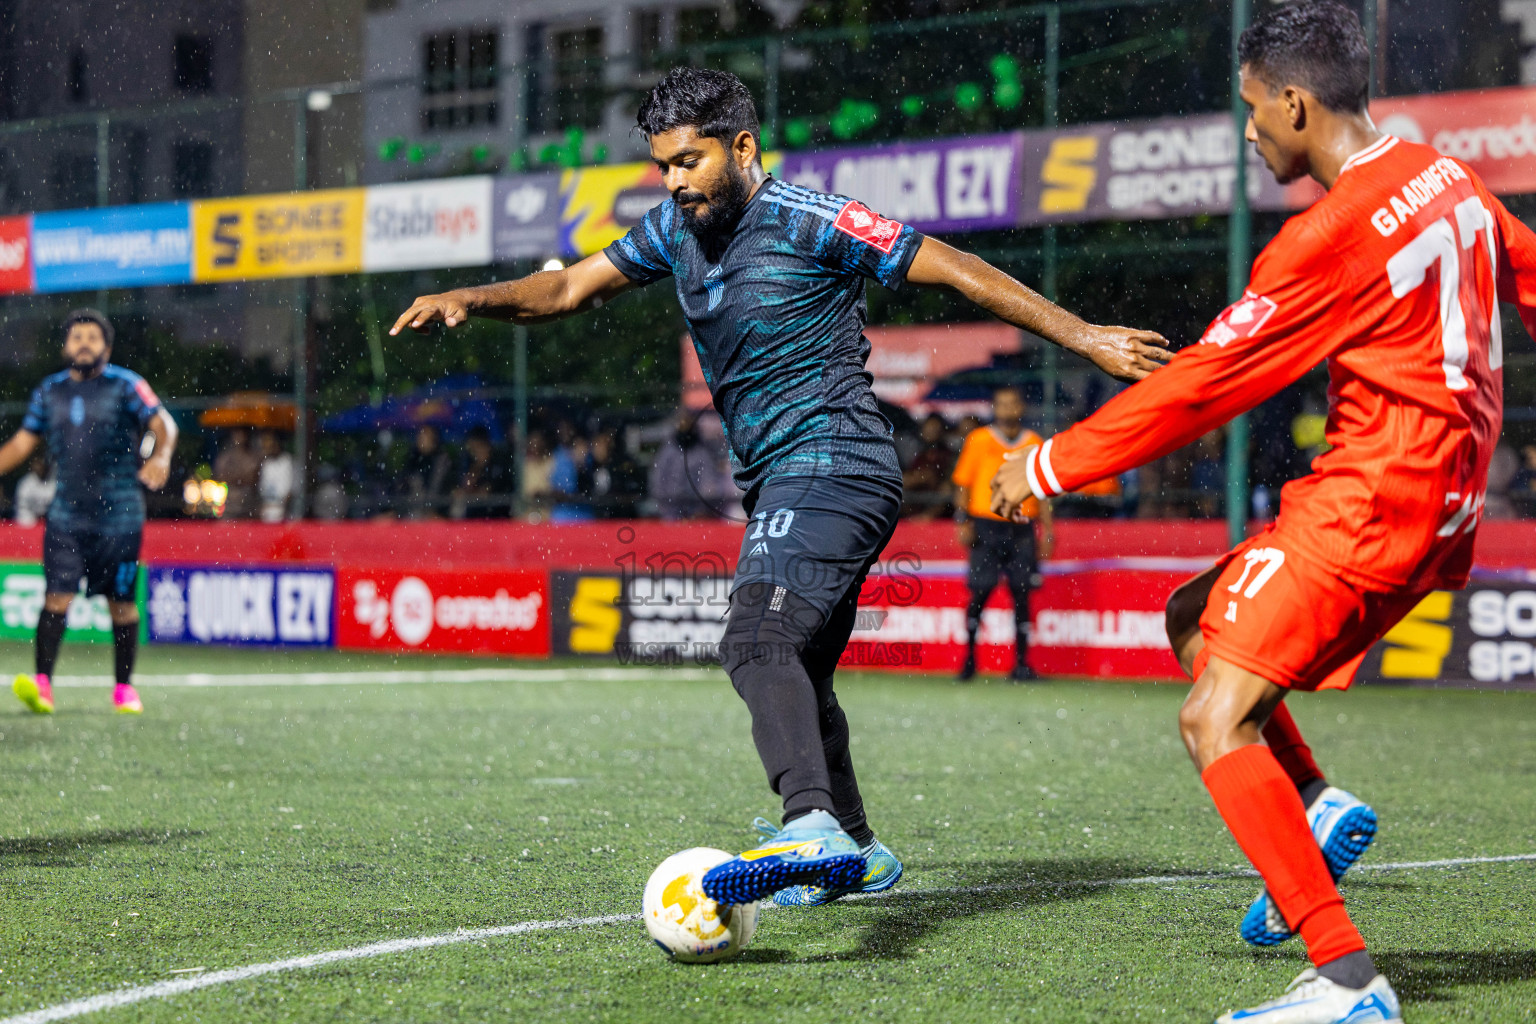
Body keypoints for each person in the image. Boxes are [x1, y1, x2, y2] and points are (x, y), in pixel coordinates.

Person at [391, 66, 1168, 908]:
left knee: (755, 640)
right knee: (799, 662)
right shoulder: (670, 231)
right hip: (781, 483)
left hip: (836, 460)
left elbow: (949, 264)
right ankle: (859, 849)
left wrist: (1082, 334)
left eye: (689, 161)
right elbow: (568, 288)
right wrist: (475, 295)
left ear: (743, 146)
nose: (675, 182)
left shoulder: (809, 218)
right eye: (663, 166)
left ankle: (810, 823)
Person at [992, 4, 1536, 1021]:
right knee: (1193, 620)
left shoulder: (1325, 237)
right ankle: (1318, 806)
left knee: (1213, 717)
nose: (1248, 130)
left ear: (1294, 102)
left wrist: (1057, 462)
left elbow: (1206, 384)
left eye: (1252, 110)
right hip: (1440, 504)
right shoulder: (1444, 174)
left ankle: (1346, 983)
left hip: (1375, 501)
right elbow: (1532, 280)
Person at [0, 309, 177, 715]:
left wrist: (161, 456)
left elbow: (162, 423)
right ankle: (42, 686)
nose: (84, 343)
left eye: (92, 337)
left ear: (107, 347)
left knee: (121, 603)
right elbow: (22, 444)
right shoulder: (49, 391)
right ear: (65, 346)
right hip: (65, 516)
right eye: (76, 337)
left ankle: (124, 689)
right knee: (56, 597)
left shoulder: (126, 385)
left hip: (121, 516)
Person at [951, 386, 1053, 682]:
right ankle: (968, 662)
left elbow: (1043, 489)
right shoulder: (979, 439)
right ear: (995, 408)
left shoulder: (1033, 442)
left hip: (1022, 527)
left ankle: (1021, 665)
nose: (1008, 409)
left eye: (1013, 403)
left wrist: (1047, 529)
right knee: (980, 591)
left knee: (1023, 594)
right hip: (986, 525)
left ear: (1021, 408)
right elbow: (962, 484)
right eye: (1002, 404)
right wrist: (962, 521)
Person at [213, 427, 262, 519]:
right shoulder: (225, 457)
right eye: (237, 432)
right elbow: (220, 476)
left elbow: (253, 477)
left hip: (249, 506)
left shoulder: (254, 457)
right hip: (230, 506)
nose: (240, 436)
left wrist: (234, 476)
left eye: (243, 432)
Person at [257, 431, 294, 522]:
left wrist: (280, 507)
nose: (266, 446)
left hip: (284, 515)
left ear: (276, 443)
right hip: (266, 513)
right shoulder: (265, 463)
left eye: (268, 442)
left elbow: (291, 492)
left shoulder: (287, 462)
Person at [13, 451, 55, 527]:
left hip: (51, 523)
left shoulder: (57, 481)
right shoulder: (25, 483)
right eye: (36, 463)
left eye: (41, 463)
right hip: (30, 524)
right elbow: (22, 510)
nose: (39, 467)